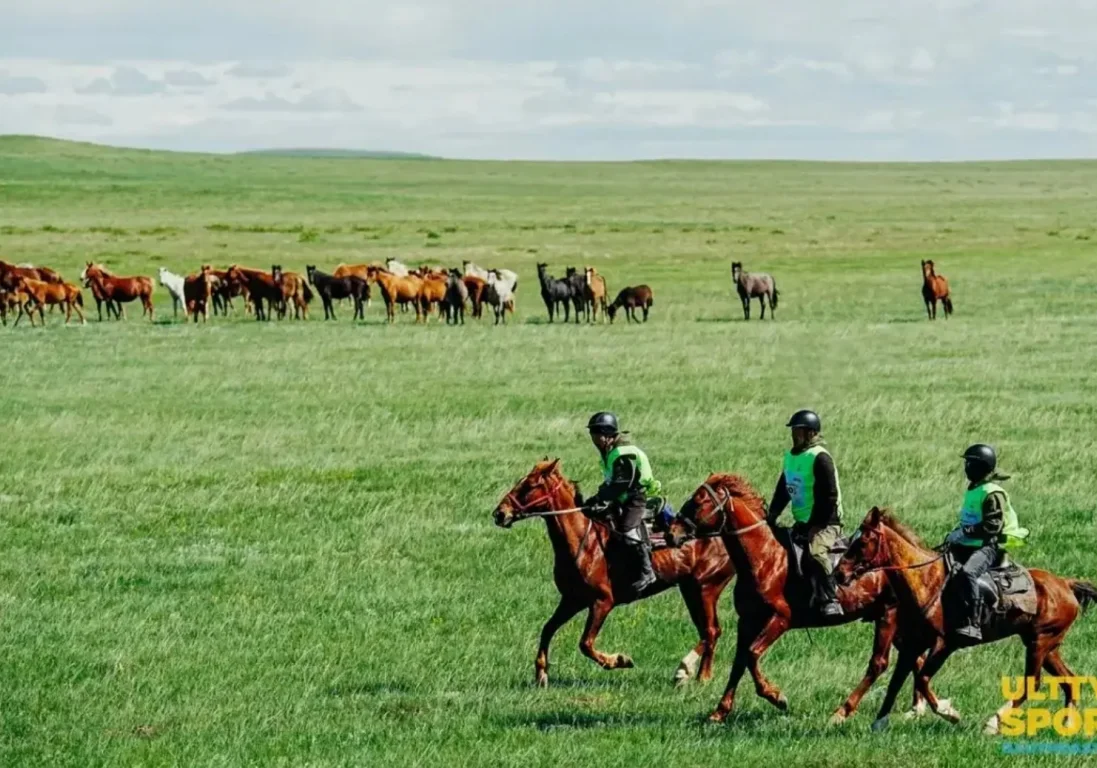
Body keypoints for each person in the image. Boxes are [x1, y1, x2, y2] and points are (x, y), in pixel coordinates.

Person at [943, 443, 1029, 642]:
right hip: (969, 542)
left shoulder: (992, 493)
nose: (966, 468)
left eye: (969, 464)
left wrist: (966, 532)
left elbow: (992, 526)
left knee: (968, 573)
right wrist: (956, 534)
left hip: (987, 546)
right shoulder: (975, 488)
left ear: (980, 467)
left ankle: (973, 623)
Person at [766, 409, 845, 617]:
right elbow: (784, 488)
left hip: (826, 523)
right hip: (803, 522)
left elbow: (830, 496)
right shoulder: (791, 458)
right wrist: (772, 514)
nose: (794, 435)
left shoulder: (820, 458)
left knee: (816, 552)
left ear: (811, 433)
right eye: (793, 431)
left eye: (799, 431)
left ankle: (830, 598)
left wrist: (816, 525)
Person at [580, 412, 661, 596]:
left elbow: (621, 484)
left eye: (596, 435)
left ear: (608, 434)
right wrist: (595, 499)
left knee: (627, 530)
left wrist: (601, 498)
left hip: (635, 497)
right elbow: (612, 482)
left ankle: (648, 572)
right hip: (622, 496)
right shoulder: (610, 450)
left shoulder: (623, 453)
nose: (593, 439)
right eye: (592, 434)